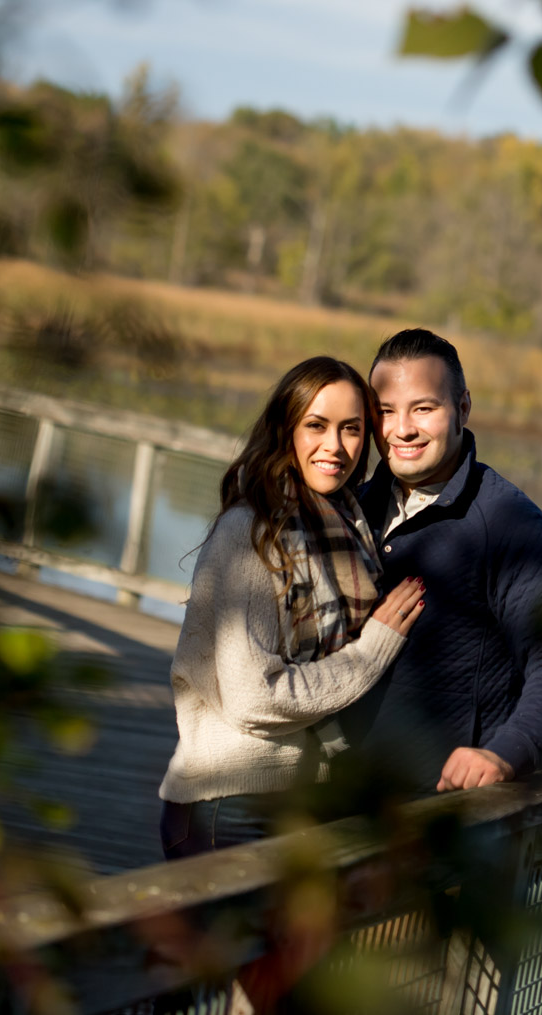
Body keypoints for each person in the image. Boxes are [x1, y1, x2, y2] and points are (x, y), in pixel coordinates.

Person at [158, 356, 427, 859]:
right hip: (230, 805)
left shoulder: (345, 524)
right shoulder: (253, 533)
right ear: (286, 430)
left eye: (352, 429)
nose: (335, 446)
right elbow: (254, 697)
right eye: (316, 426)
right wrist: (372, 651)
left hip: (300, 801)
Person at [335, 329, 542, 795]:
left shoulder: (507, 523)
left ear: (463, 408)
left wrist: (504, 753)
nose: (402, 430)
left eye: (424, 408)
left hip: (437, 816)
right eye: (386, 411)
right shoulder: (353, 504)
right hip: (333, 796)